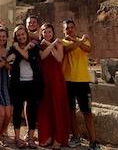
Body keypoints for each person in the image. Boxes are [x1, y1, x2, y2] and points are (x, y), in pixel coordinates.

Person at [61, 20, 101, 150]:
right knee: (71, 110)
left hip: (83, 81)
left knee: (87, 111)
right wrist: (79, 40)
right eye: (67, 28)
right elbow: (68, 49)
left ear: (76, 29)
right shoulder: (63, 42)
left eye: (72, 27)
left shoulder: (83, 41)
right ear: (64, 31)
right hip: (68, 81)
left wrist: (77, 40)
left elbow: (88, 49)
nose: (70, 30)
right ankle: (76, 137)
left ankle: (93, 141)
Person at [9, 25, 43, 149]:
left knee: (32, 110)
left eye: (23, 34)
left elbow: (32, 60)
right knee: (17, 110)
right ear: (15, 37)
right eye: (18, 35)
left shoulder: (33, 47)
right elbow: (13, 63)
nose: (21, 37)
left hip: (32, 83)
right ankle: (17, 137)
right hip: (18, 83)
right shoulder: (13, 49)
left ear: (26, 35)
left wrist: (23, 49)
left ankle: (30, 137)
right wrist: (19, 49)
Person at [37, 23, 70, 149]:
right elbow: (43, 56)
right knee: (46, 106)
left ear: (53, 33)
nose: (47, 34)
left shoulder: (59, 44)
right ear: (42, 33)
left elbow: (59, 58)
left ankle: (58, 137)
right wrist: (50, 44)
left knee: (57, 105)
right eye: (45, 32)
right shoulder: (40, 45)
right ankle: (48, 136)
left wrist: (54, 45)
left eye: (49, 32)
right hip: (44, 77)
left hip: (56, 78)